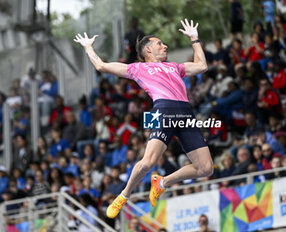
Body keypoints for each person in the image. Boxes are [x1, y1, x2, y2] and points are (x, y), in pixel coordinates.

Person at [74, 19, 213, 218]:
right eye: (159, 44)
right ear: (147, 50)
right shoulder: (138, 68)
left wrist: (194, 39)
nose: (164, 46)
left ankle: (162, 182)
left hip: (185, 112)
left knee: (206, 168)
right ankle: (124, 195)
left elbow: (202, 66)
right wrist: (88, 48)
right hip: (161, 110)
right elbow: (101, 66)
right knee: (148, 162)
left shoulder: (175, 67)